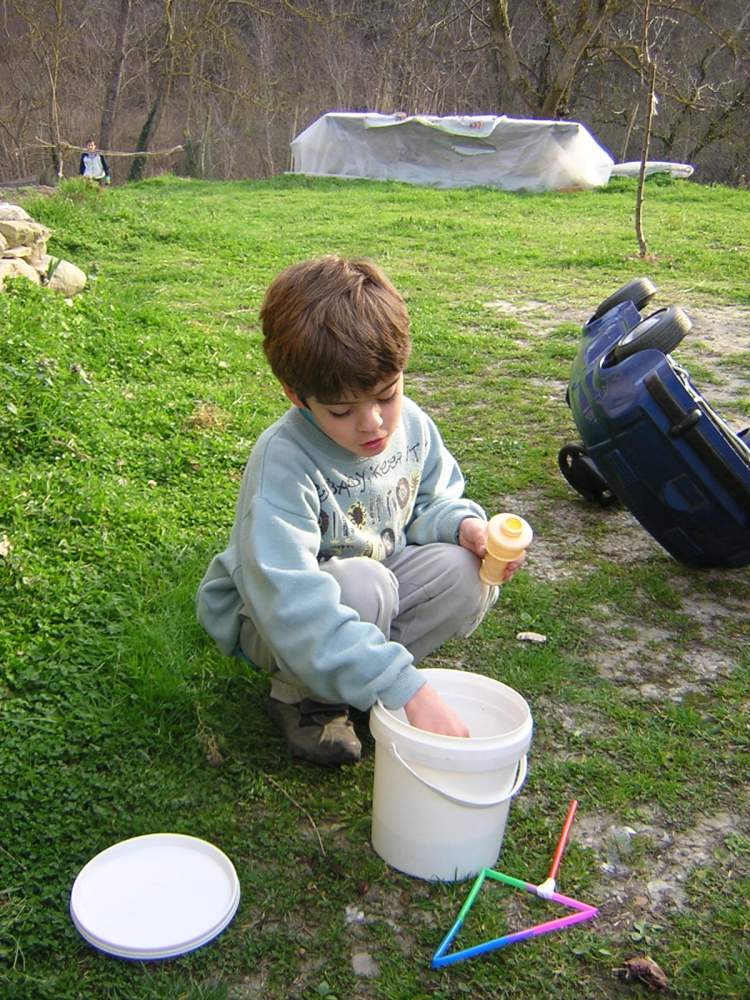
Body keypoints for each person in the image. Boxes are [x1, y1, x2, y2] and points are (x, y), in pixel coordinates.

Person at [196, 256, 525, 766]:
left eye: (386, 396)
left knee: (463, 571)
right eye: (341, 411)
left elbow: (433, 500)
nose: (373, 424)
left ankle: (362, 676)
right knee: (362, 585)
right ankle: (305, 697)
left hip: (376, 585)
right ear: (296, 396)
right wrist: (407, 687)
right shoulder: (283, 461)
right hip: (274, 615)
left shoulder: (411, 426)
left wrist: (464, 527)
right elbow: (288, 598)